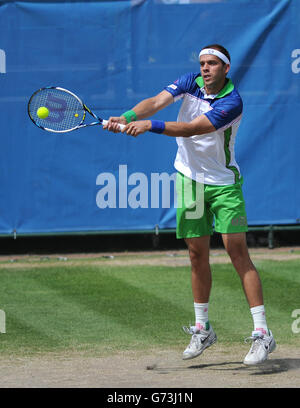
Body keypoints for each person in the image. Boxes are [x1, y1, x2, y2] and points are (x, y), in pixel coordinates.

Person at [104, 44, 276, 365]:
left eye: (212, 63)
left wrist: (150, 126)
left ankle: (263, 334)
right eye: (202, 63)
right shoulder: (189, 82)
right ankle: (202, 328)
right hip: (189, 181)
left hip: (224, 186)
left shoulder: (232, 102)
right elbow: (156, 102)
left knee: (237, 252)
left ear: (226, 68)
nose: (205, 68)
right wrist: (128, 116)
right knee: (197, 254)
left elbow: (195, 129)